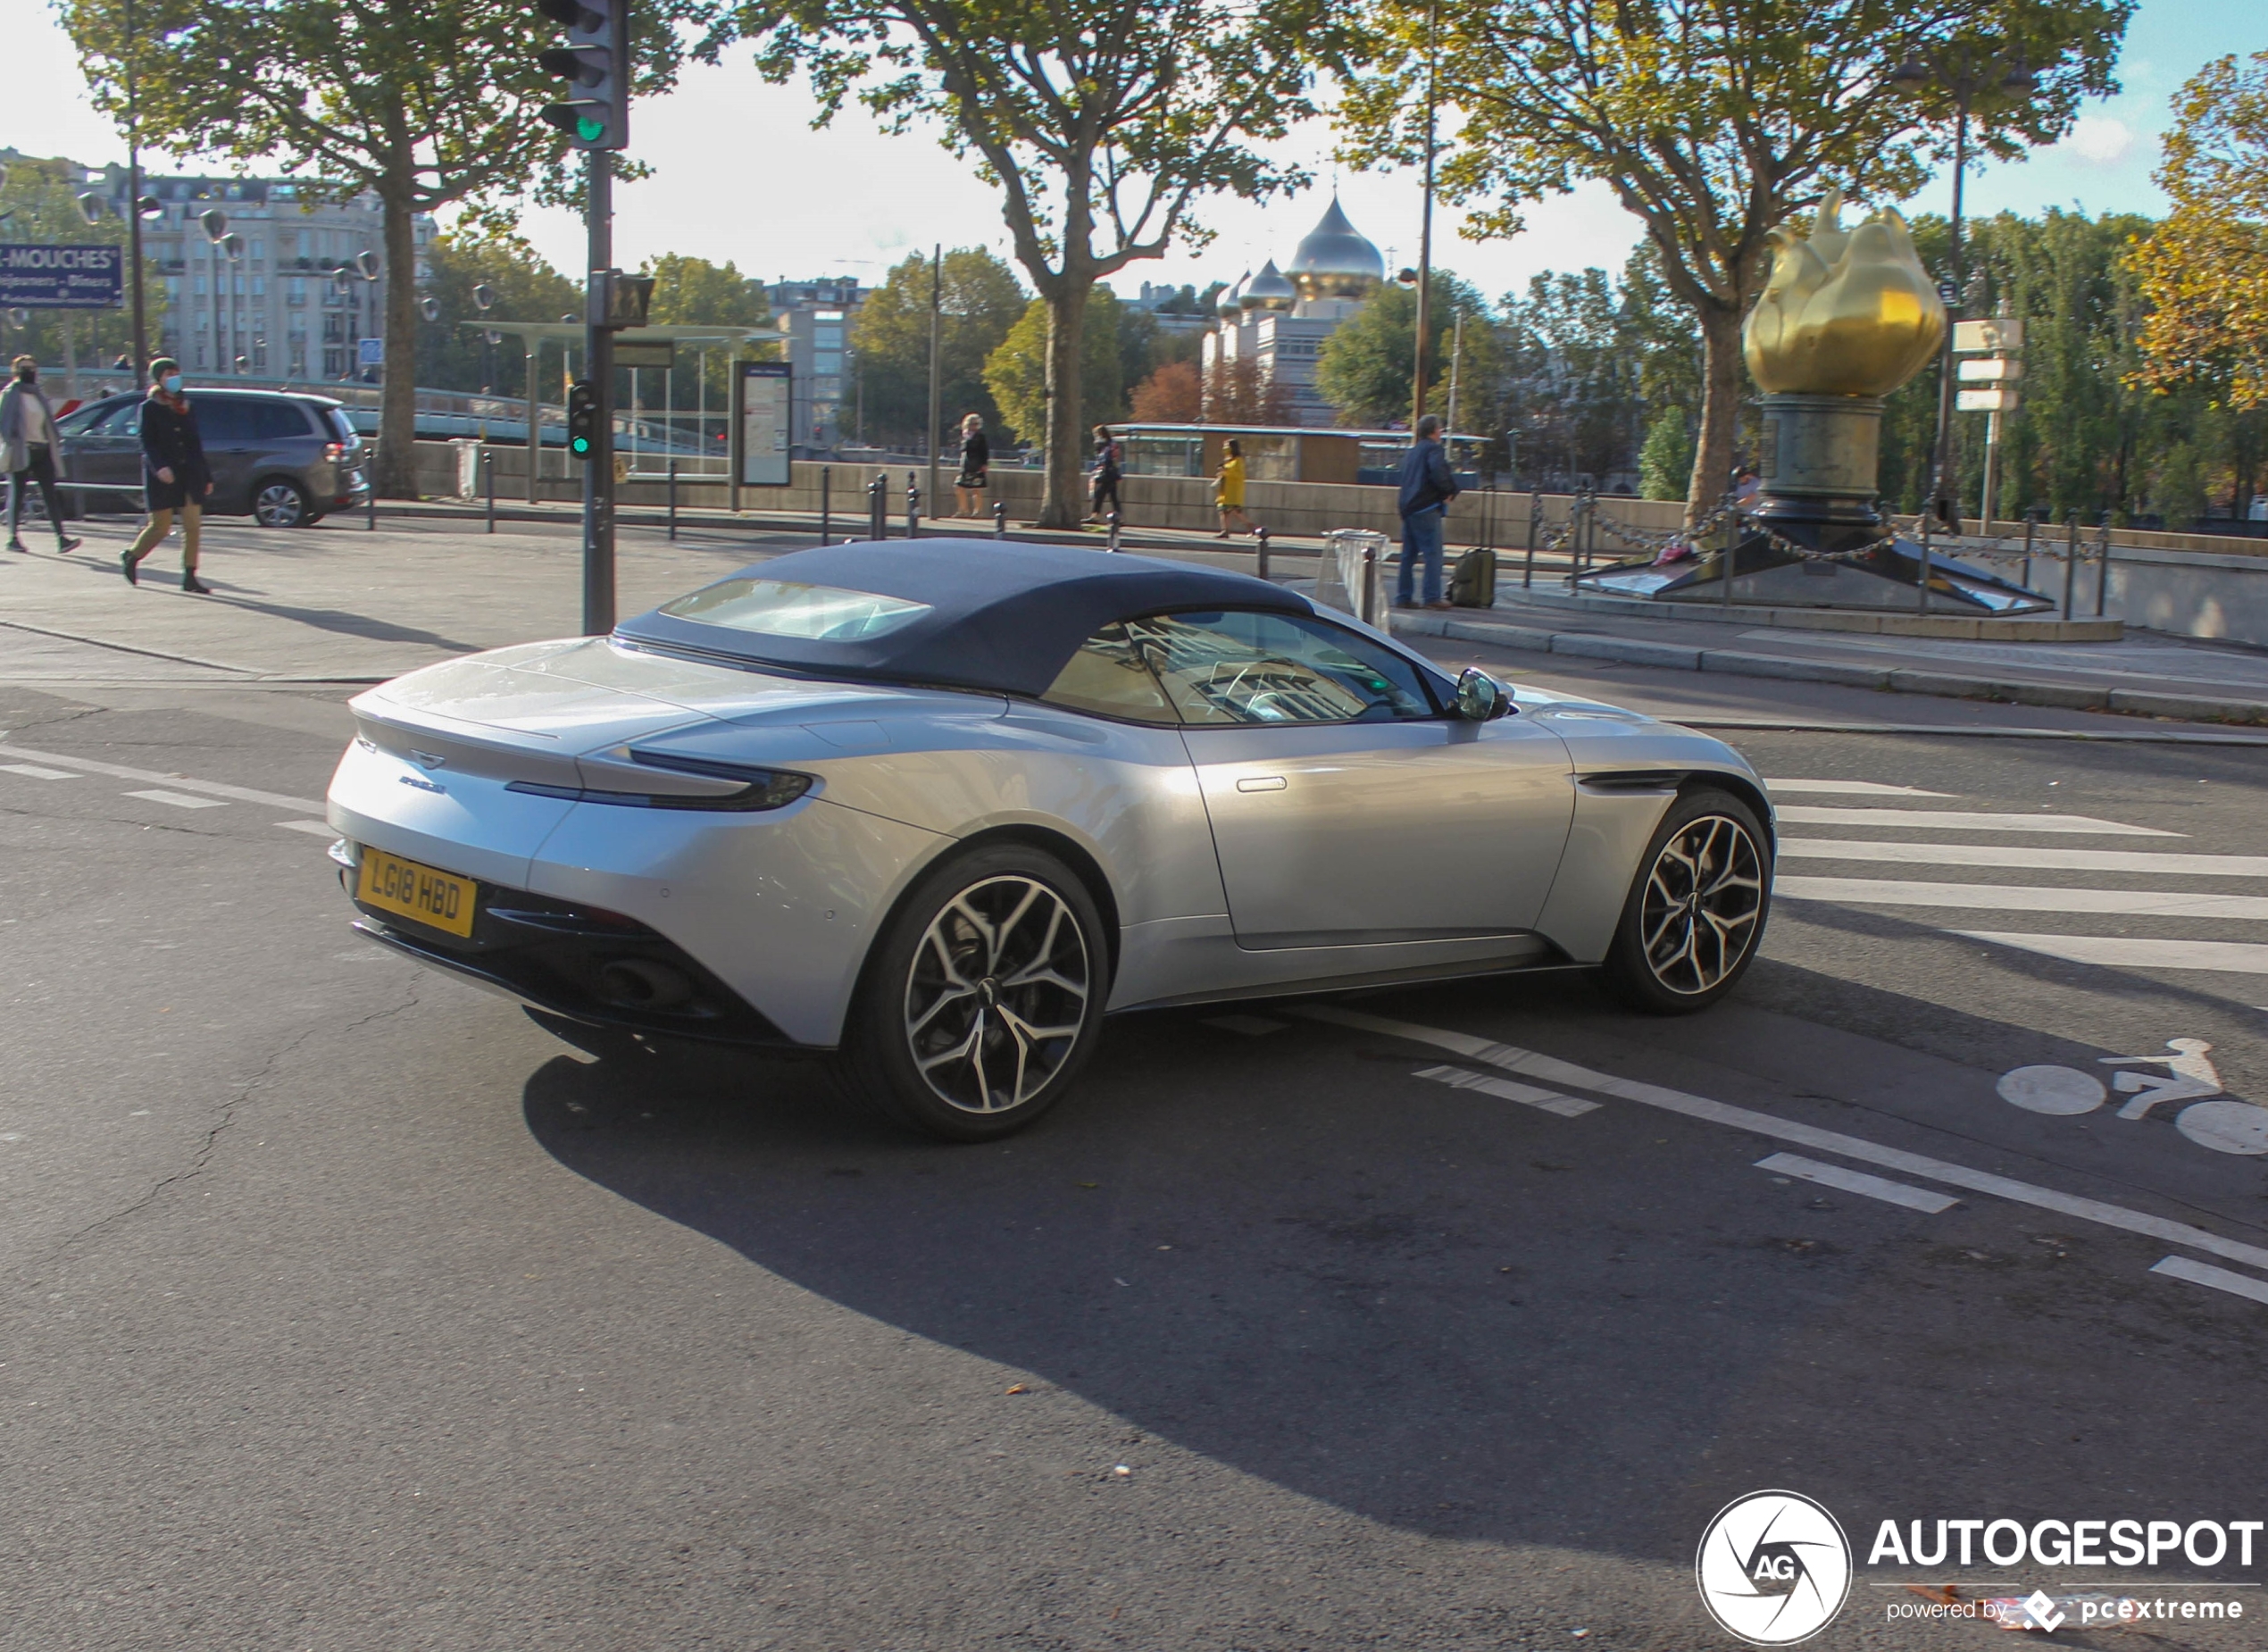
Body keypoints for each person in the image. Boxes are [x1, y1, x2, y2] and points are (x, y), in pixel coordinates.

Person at [122, 358, 213, 593]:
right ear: (159, 378)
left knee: (193, 525)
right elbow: (147, 442)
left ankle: (190, 575)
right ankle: (133, 556)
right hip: (163, 474)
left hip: (190, 473)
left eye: (177, 372)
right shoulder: (150, 407)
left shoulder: (185, 405)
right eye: (169, 374)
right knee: (160, 526)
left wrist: (206, 475)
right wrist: (159, 467)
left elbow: (195, 443)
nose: (174, 377)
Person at [2, 357, 82, 555]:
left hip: (42, 448)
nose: (30, 371)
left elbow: (47, 422)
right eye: (25, 368)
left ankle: (61, 538)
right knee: (18, 493)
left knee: (50, 494)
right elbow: (4, 422)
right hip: (22, 449)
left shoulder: (38, 394)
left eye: (32, 368)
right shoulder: (10, 394)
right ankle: (13, 538)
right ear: (16, 371)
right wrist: (12, 440)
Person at [1395, 414, 1459, 609]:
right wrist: (1450, 491)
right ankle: (1432, 597)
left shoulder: (1412, 452)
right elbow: (1438, 473)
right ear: (1433, 431)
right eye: (1440, 428)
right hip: (1427, 506)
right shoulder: (1434, 449)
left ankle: (1403, 597)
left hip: (1409, 507)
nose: (1441, 432)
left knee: (1408, 555)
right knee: (1433, 554)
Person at [1213, 438, 1256, 538]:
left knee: (1234, 510)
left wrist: (1226, 470)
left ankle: (1251, 526)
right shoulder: (1228, 460)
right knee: (1223, 511)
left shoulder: (1238, 460)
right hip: (1225, 490)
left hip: (1233, 490)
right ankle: (1225, 530)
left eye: (1227, 446)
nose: (1225, 448)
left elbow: (1239, 474)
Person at [953, 413, 989, 518]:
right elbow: (963, 451)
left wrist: (984, 464)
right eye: (972, 424)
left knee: (976, 489)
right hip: (966, 465)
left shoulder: (980, 437)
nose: (974, 426)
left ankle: (978, 511)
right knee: (959, 487)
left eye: (976, 424)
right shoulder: (964, 435)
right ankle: (963, 510)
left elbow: (984, 451)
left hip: (977, 465)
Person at [1088, 424, 1121, 524]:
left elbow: (1106, 460)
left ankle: (1095, 516)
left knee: (1099, 495)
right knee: (1113, 497)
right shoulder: (1110, 444)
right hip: (1111, 474)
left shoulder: (1107, 446)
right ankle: (1119, 517)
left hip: (1107, 474)